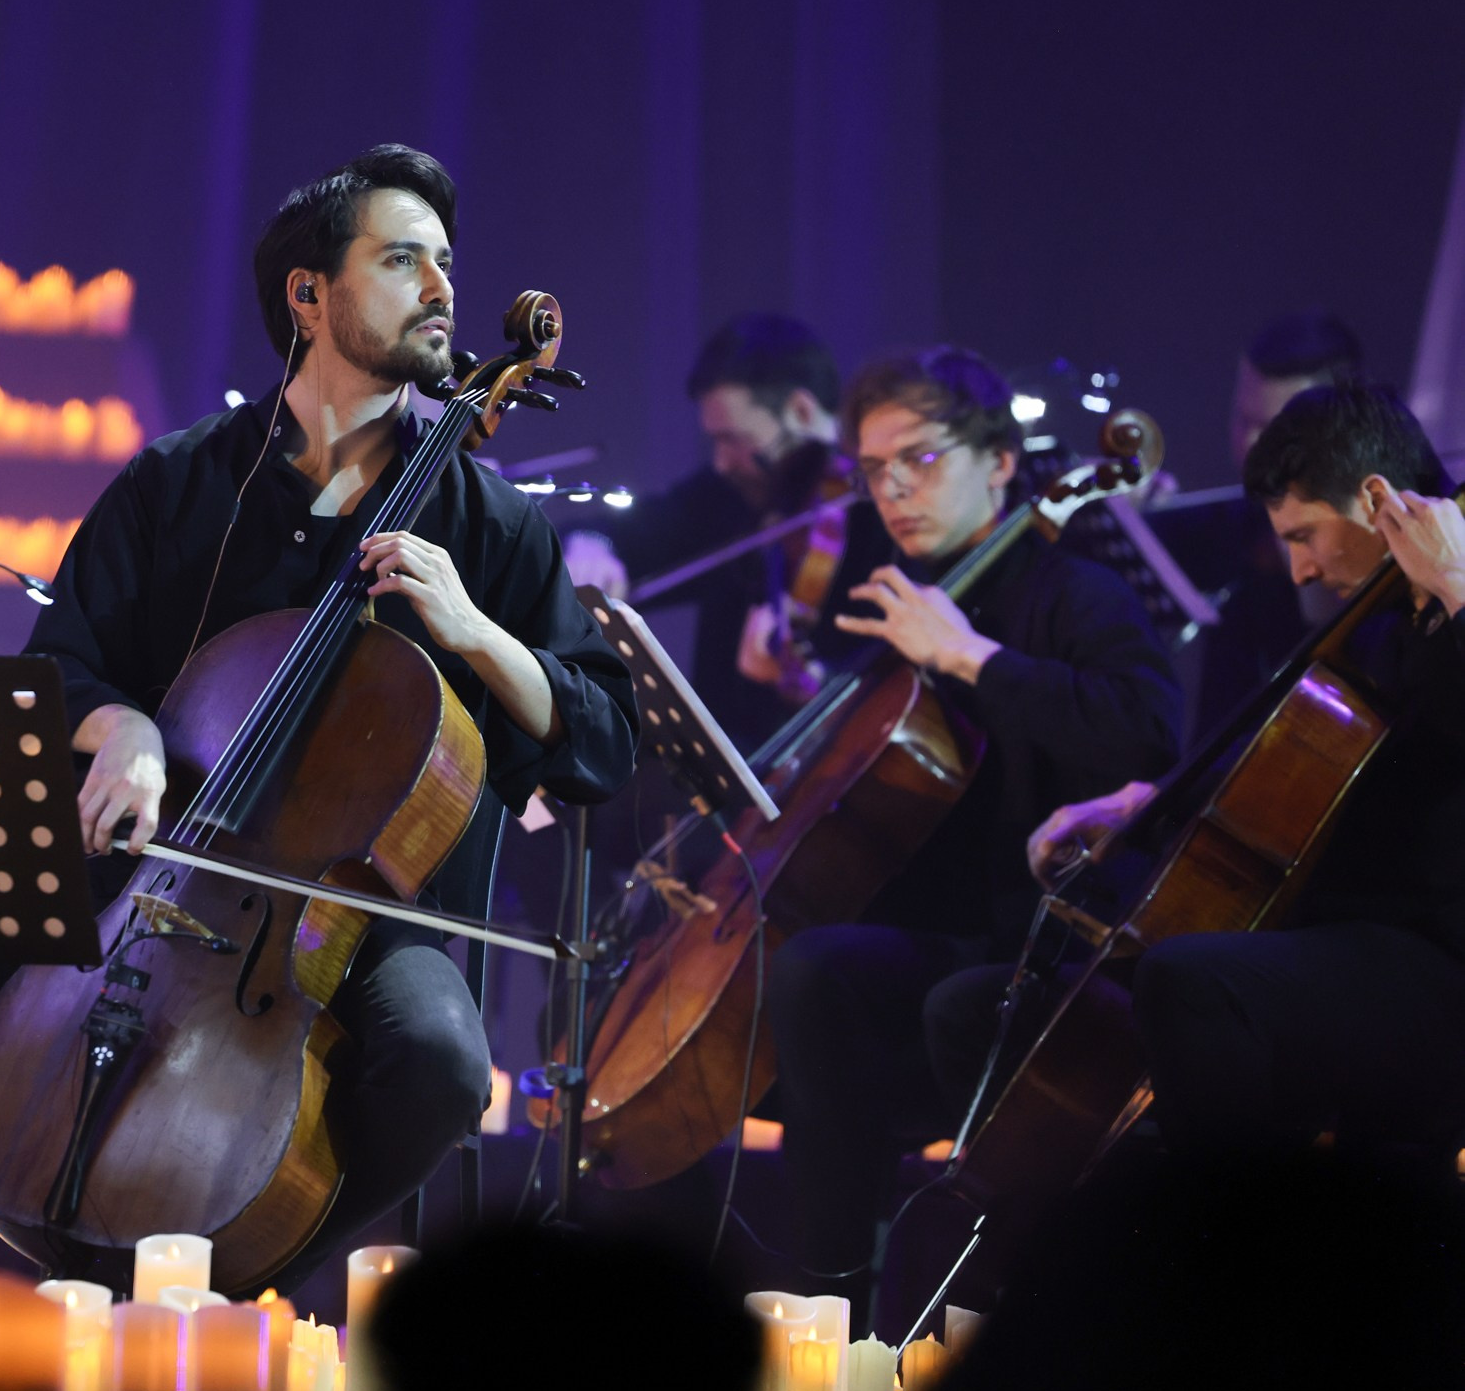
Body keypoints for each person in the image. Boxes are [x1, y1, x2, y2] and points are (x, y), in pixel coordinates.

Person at [0, 145, 641, 1289]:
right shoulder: (174, 484)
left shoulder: (491, 524)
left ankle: (246, 1271)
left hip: (355, 921)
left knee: (436, 1059)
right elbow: (65, 664)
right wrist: (121, 729)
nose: (440, 289)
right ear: (309, 293)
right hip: (140, 881)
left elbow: (601, 741)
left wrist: (473, 627)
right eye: (400, 259)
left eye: (445, 263)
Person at [761, 347, 1182, 1286]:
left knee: (853, 982)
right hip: (939, 935)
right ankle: (826, 1293)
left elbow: (1153, 736)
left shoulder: (1075, 593)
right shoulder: (913, 601)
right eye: (873, 470)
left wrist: (974, 660)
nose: (893, 490)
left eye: (920, 458)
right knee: (812, 969)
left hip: (1044, 944)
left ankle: (982, 1296)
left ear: (998, 461)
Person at [1023, 384, 1465, 1155]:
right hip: (1359, 939)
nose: (1296, 570)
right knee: (1021, 1000)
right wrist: (1152, 798)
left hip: (1444, 957)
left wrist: (1458, 592)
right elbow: (1289, 765)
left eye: (1304, 536)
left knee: (1190, 980)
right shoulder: (1379, 623)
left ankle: (1227, 1246)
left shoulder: (1442, 594)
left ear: (1373, 498)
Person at [567, 314, 888, 753]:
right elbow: (633, 530)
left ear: (801, 411)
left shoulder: (882, 513)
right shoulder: (728, 494)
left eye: (734, 439)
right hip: (719, 767)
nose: (721, 461)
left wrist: (816, 678)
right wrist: (594, 546)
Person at [1153, 311, 1367, 738]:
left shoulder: (1364, 538)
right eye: (1243, 419)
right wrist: (1135, 516)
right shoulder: (1231, 522)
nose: (1251, 443)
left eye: (1270, 427)